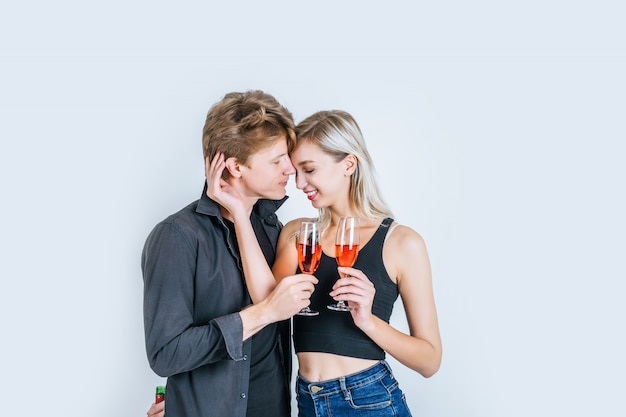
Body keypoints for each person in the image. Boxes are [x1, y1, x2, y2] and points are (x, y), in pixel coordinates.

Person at [205, 109, 442, 416]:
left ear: (348, 164)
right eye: (296, 171)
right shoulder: (299, 234)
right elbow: (267, 302)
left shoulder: (402, 243)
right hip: (306, 400)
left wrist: (368, 321)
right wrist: (239, 214)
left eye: (310, 170)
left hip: (369, 400)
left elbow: (430, 360)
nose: (299, 183)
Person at [141, 90, 318, 417]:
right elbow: (165, 353)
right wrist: (263, 313)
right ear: (235, 166)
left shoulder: (270, 227)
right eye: (277, 159)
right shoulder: (177, 237)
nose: (290, 169)